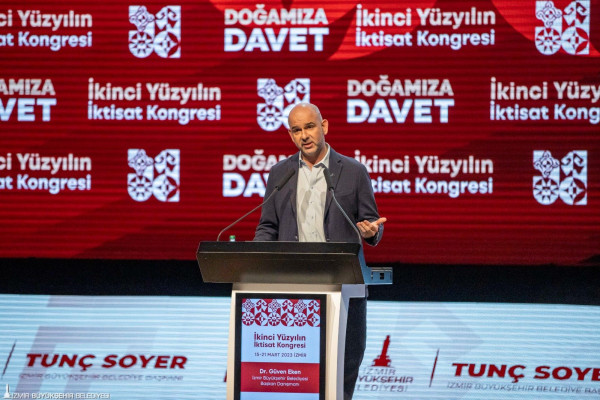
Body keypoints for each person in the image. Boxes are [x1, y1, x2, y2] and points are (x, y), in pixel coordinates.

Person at [254, 102, 386, 399]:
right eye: (296, 130)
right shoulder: (280, 173)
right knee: (298, 371)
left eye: (310, 127)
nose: (304, 135)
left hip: (345, 287)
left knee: (344, 367)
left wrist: (372, 232)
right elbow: (268, 226)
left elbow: (372, 222)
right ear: (290, 135)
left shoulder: (353, 171)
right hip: (295, 286)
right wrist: (256, 258)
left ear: (324, 126)